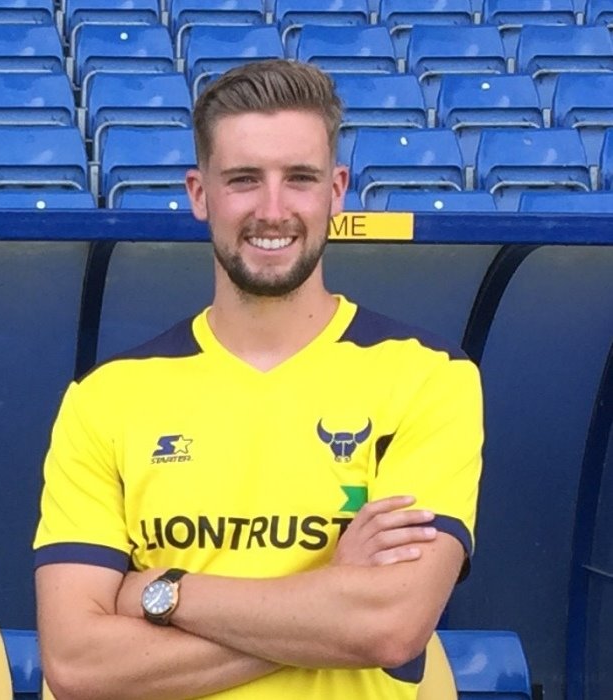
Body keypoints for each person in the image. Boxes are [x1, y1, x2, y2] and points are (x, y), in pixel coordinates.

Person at [34, 59, 483, 700]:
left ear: (336, 190)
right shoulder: (106, 398)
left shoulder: (428, 377)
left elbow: (390, 627)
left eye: (299, 178)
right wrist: (329, 600)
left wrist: (162, 593)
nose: (273, 211)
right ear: (200, 194)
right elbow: (79, 665)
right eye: (244, 179)